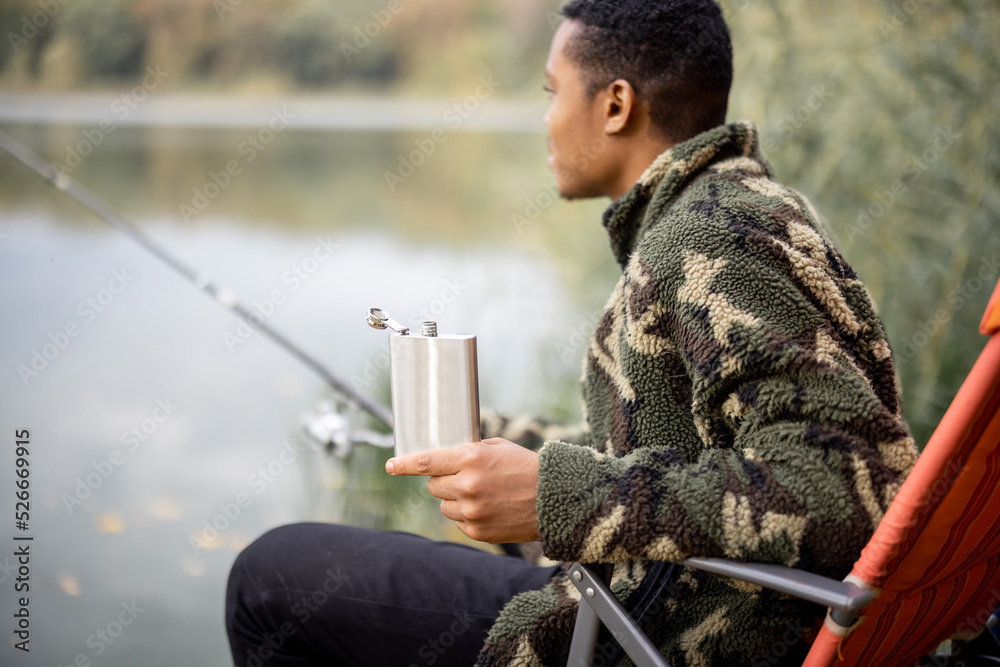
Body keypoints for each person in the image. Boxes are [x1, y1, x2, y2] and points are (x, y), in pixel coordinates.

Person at [225, 1, 919, 665]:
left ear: (616, 105)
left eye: (553, 92)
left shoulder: (709, 235)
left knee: (269, 580)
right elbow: (691, 447)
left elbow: (842, 484)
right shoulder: (742, 205)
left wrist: (556, 493)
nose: (546, 121)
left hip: (659, 632)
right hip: (675, 603)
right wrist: (515, 445)